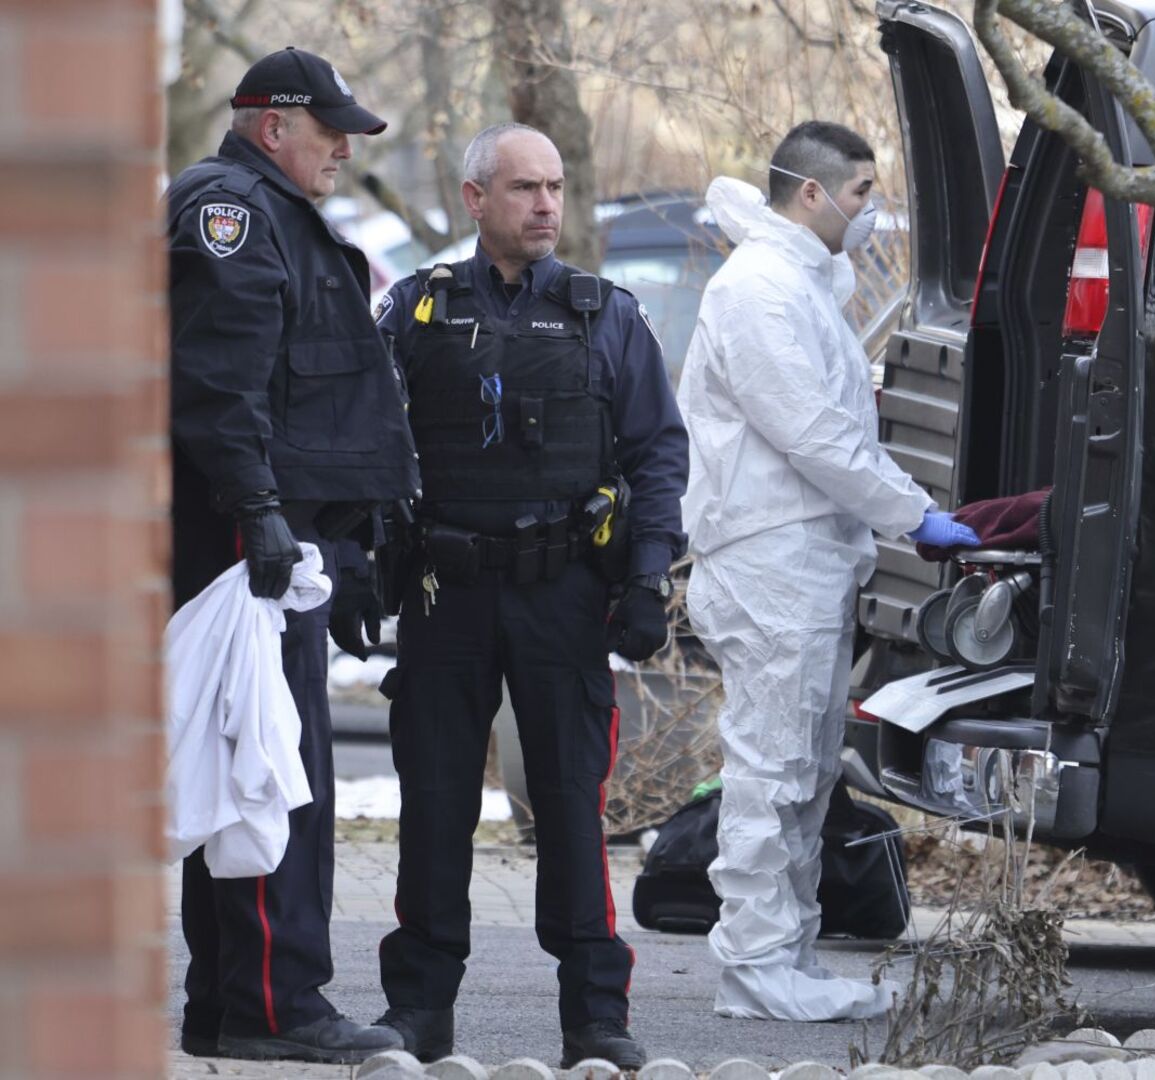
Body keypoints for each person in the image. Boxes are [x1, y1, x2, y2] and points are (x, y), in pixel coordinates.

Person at [372, 123, 686, 1069]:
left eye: (553, 187)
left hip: (562, 593)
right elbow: (371, 446)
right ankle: (418, 1012)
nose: (546, 205)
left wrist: (645, 580)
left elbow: (656, 454)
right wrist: (355, 567)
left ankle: (596, 1018)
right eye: (523, 189)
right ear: (475, 200)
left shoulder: (603, 315)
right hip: (445, 592)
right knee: (433, 806)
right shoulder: (418, 312)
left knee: (568, 807)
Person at [678, 120, 980, 1022]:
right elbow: (813, 434)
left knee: (804, 772)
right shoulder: (760, 294)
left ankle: (786, 954)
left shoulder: (796, 285)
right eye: (857, 193)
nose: (868, 211)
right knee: (773, 772)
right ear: (809, 194)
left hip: (801, 564)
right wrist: (909, 513)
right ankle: (755, 965)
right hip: (769, 563)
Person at [166, 47, 419, 1063]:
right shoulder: (231, 209)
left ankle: (231, 1002)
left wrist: (343, 538)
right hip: (248, 538)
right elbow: (220, 383)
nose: (345, 150)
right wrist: (263, 510)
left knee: (247, 768)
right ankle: (277, 1005)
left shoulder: (271, 208)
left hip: (286, 533)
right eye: (332, 131)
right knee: (271, 772)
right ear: (275, 124)